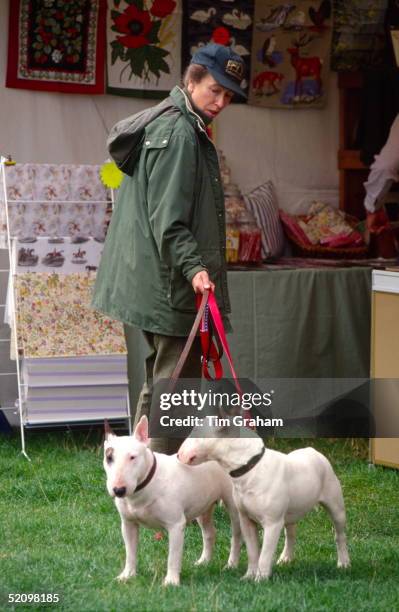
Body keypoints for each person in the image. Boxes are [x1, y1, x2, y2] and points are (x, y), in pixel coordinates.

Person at [92, 44, 247, 453]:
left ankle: (143, 475)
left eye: (229, 95)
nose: (221, 101)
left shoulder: (176, 122)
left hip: (157, 278)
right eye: (215, 90)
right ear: (191, 80)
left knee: (164, 383)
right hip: (170, 282)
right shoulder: (178, 132)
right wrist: (195, 268)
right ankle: (163, 485)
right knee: (176, 390)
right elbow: (169, 220)